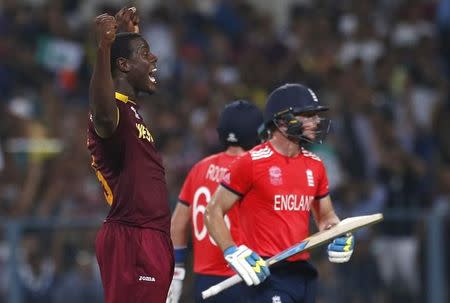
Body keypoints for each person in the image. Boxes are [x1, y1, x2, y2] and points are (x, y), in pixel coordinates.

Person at [205, 83, 356, 303]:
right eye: (307, 115)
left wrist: (339, 232)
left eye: (315, 115)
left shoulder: (315, 165)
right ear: (282, 120)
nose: (316, 122)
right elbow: (212, 211)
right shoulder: (251, 162)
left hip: (303, 274)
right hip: (266, 273)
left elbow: (326, 216)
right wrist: (231, 251)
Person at [86, 7, 174, 303]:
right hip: (132, 238)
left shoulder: (130, 110)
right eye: (145, 53)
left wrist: (128, 36)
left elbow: (125, 79)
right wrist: (104, 48)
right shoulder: (110, 115)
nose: (155, 58)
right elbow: (103, 110)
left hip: (152, 238)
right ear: (123, 65)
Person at [166, 100, 264, 303]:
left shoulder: (200, 168)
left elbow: (177, 225)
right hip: (247, 278)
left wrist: (176, 274)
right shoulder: (256, 169)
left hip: (205, 282)